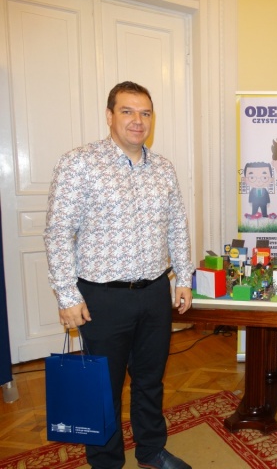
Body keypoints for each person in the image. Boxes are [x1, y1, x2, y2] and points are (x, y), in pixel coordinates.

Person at [44, 81, 195, 469]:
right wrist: (67, 295)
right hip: (102, 299)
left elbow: (177, 225)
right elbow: (58, 231)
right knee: (103, 388)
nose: (137, 120)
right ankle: (106, 462)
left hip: (154, 293)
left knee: (150, 380)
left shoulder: (163, 168)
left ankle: (151, 450)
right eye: (127, 111)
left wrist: (184, 277)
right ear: (109, 116)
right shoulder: (79, 163)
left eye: (145, 113)